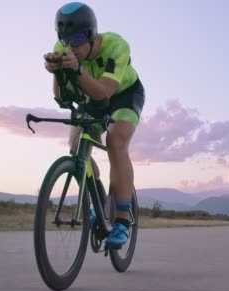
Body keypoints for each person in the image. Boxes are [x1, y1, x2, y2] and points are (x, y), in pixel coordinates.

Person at [43, 2, 144, 248]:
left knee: (115, 141)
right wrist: (56, 73)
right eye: (65, 40)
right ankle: (99, 199)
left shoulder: (116, 46)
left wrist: (76, 70)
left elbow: (104, 94)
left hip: (122, 95)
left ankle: (122, 219)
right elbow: (62, 99)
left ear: (91, 34)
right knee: (76, 145)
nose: (71, 47)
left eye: (76, 40)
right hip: (90, 94)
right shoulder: (64, 49)